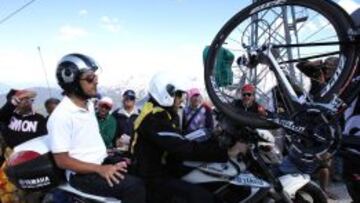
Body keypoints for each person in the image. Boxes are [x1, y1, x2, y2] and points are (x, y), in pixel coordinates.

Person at [130, 72, 248, 203]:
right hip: (152, 178)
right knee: (204, 198)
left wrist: (213, 137)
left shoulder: (160, 113)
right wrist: (226, 152)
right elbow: (183, 147)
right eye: (178, 94)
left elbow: (179, 138)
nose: (181, 99)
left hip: (164, 167)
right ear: (166, 93)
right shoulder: (155, 119)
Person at [47, 53, 145, 203]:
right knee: (134, 187)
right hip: (82, 175)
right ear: (71, 81)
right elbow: (62, 161)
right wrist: (101, 169)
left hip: (101, 161)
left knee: (144, 168)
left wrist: (113, 159)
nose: (96, 81)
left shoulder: (89, 106)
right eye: (90, 78)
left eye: (95, 77)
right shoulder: (61, 116)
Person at [0, 89, 47, 203]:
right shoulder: (9, 117)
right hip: (9, 160)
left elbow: (43, 140)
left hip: (29, 162)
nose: (26, 102)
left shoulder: (39, 119)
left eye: (28, 99)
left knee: (27, 193)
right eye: (22, 99)